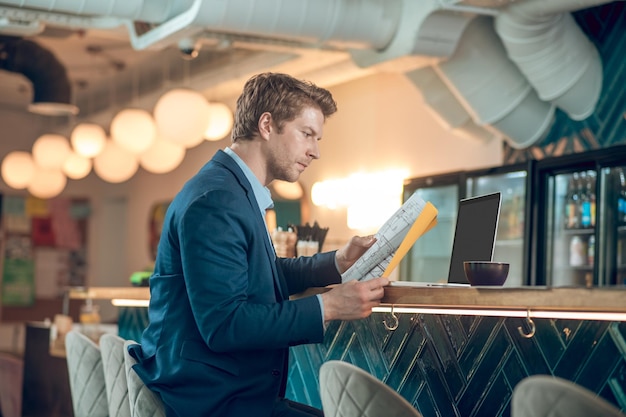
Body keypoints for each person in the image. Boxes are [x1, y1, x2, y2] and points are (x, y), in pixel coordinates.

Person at [128, 72, 389, 417]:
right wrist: (327, 307)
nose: (316, 151)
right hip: (209, 399)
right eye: (307, 134)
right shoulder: (218, 199)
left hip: (224, 391)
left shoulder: (231, 189)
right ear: (267, 125)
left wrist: (337, 262)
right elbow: (225, 325)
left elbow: (260, 273)